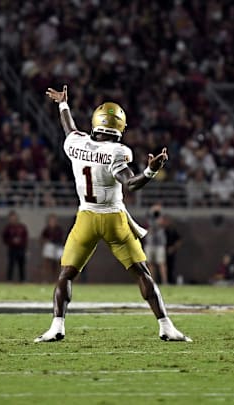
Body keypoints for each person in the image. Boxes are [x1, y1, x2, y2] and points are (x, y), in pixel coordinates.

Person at [34, 85, 190, 342]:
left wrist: (63, 105)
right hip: (113, 219)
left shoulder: (75, 143)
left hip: (86, 218)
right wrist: (151, 171)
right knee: (142, 273)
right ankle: (165, 326)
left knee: (66, 274)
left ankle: (57, 326)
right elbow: (130, 184)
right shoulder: (117, 152)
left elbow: (69, 128)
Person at [144, 204, 168, 284]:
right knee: (150, 263)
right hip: (150, 243)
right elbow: (147, 225)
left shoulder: (162, 216)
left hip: (160, 243)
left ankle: (164, 281)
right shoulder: (148, 216)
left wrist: (159, 216)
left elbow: (163, 223)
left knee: (161, 263)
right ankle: (152, 281)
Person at [2, 210, 28, 282]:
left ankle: (22, 280)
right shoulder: (8, 228)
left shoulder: (22, 227)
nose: (13, 219)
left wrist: (22, 243)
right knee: (11, 265)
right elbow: (4, 238)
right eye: (11, 218)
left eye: (14, 218)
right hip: (12, 248)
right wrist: (11, 241)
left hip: (21, 248)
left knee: (21, 265)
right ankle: (9, 280)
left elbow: (25, 238)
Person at [41, 214, 65, 283]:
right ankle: (46, 279)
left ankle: (58, 279)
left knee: (59, 263)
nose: (52, 222)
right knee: (47, 263)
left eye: (54, 220)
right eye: (51, 221)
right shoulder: (46, 230)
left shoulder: (59, 229)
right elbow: (42, 239)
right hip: (49, 246)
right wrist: (46, 241)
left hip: (58, 247)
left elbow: (62, 239)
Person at [163, 215, 182, 285]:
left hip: (171, 251)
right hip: (163, 251)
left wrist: (173, 248)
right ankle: (163, 281)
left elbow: (179, 241)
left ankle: (170, 281)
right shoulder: (161, 230)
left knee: (170, 267)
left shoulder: (172, 230)